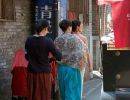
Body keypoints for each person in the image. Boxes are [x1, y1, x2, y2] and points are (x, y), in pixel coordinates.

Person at [25, 19, 62, 100]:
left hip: (31, 73)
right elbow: (58, 55)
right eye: (47, 29)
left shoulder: (29, 40)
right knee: (43, 96)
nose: (47, 31)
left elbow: (27, 57)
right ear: (45, 29)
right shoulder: (48, 41)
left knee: (32, 95)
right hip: (44, 74)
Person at [54, 19, 86, 100]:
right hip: (73, 68)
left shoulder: (57, 39)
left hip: (61, 68)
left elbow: (54, 54)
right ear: (69, 27)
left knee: (63, 91)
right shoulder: (76, 39)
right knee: (73, 92)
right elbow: (82, 52)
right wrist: (82, 64)